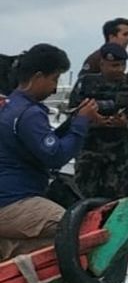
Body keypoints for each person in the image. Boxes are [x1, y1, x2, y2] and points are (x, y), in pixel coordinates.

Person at [0, 45, 100, 259]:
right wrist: (82, 122)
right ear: (38, 77)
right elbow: (56, 157)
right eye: (54, 79)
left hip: (8, 201)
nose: (55, 88)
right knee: (76, 228)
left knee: (52, 245)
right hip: (14, 203)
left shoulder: (10, 107)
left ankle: (9, 250)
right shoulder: (29, 114)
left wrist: (72, 123)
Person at [69, 43, 128, 200]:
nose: (119, 69)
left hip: (118, 151)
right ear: (102, 64)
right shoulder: (86, 82)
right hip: (89, 149)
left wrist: (127, 123)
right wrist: (93, 121)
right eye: (114, 65)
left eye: (122, 65)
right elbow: (72, 113)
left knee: (115, 198)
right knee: (83, 197)